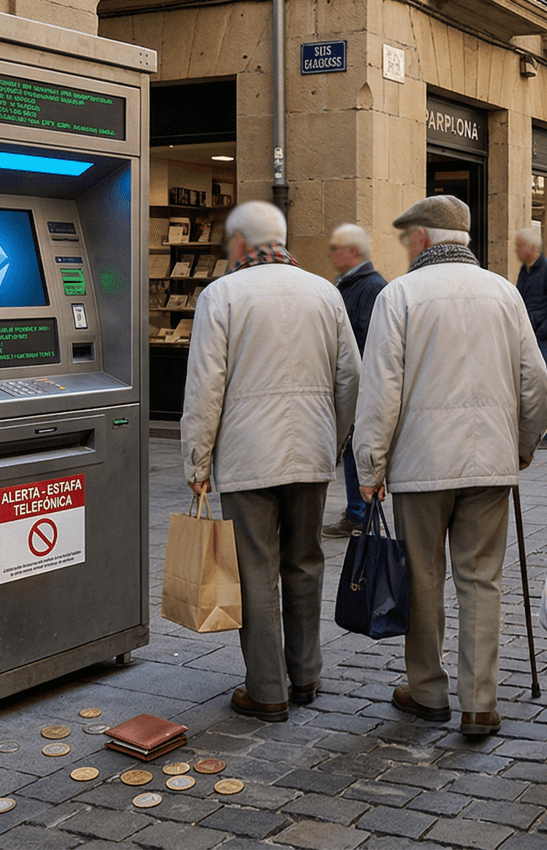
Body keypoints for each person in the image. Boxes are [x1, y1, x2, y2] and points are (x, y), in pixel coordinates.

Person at [353, 195, 547, 739]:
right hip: (490, 462)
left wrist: (370, 465)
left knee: (423, 578)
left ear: (422, 238)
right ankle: (480, 703)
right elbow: (535, 382)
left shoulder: (401, 295)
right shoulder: (504, 293)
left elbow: (379, 392)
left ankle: (428, 691)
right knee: (482, 580)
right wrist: (524, 445)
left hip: (421, 465)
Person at [182, 202, 361, 722]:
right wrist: (335, 437)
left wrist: (198, 460)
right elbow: (350, 378)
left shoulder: (221, 295)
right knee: (305, 561)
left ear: (238, 243)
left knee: (254, 568)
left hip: (246, 455)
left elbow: (204, 389)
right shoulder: (325, 292)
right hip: (311, 451)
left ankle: (266, 689)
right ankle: (306, 674)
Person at [321, 224, 387, 539]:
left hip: (362, 384)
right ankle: (356, 511)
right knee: (351, 448)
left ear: (353, 252)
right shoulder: (349, 285)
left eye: (336, 248)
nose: (331, 254)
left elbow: (367, 340)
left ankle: (360, 514)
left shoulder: (370, 287)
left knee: (356, 447)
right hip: (352, 381)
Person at [514, 226, 547, 449]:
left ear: (532, 247)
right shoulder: (524, 271)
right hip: (528, 337)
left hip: (544, 339)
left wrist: (541, 331)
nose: (516, 250)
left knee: (544, 385)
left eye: (519, 245)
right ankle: (532, 431)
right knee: (529, 386)